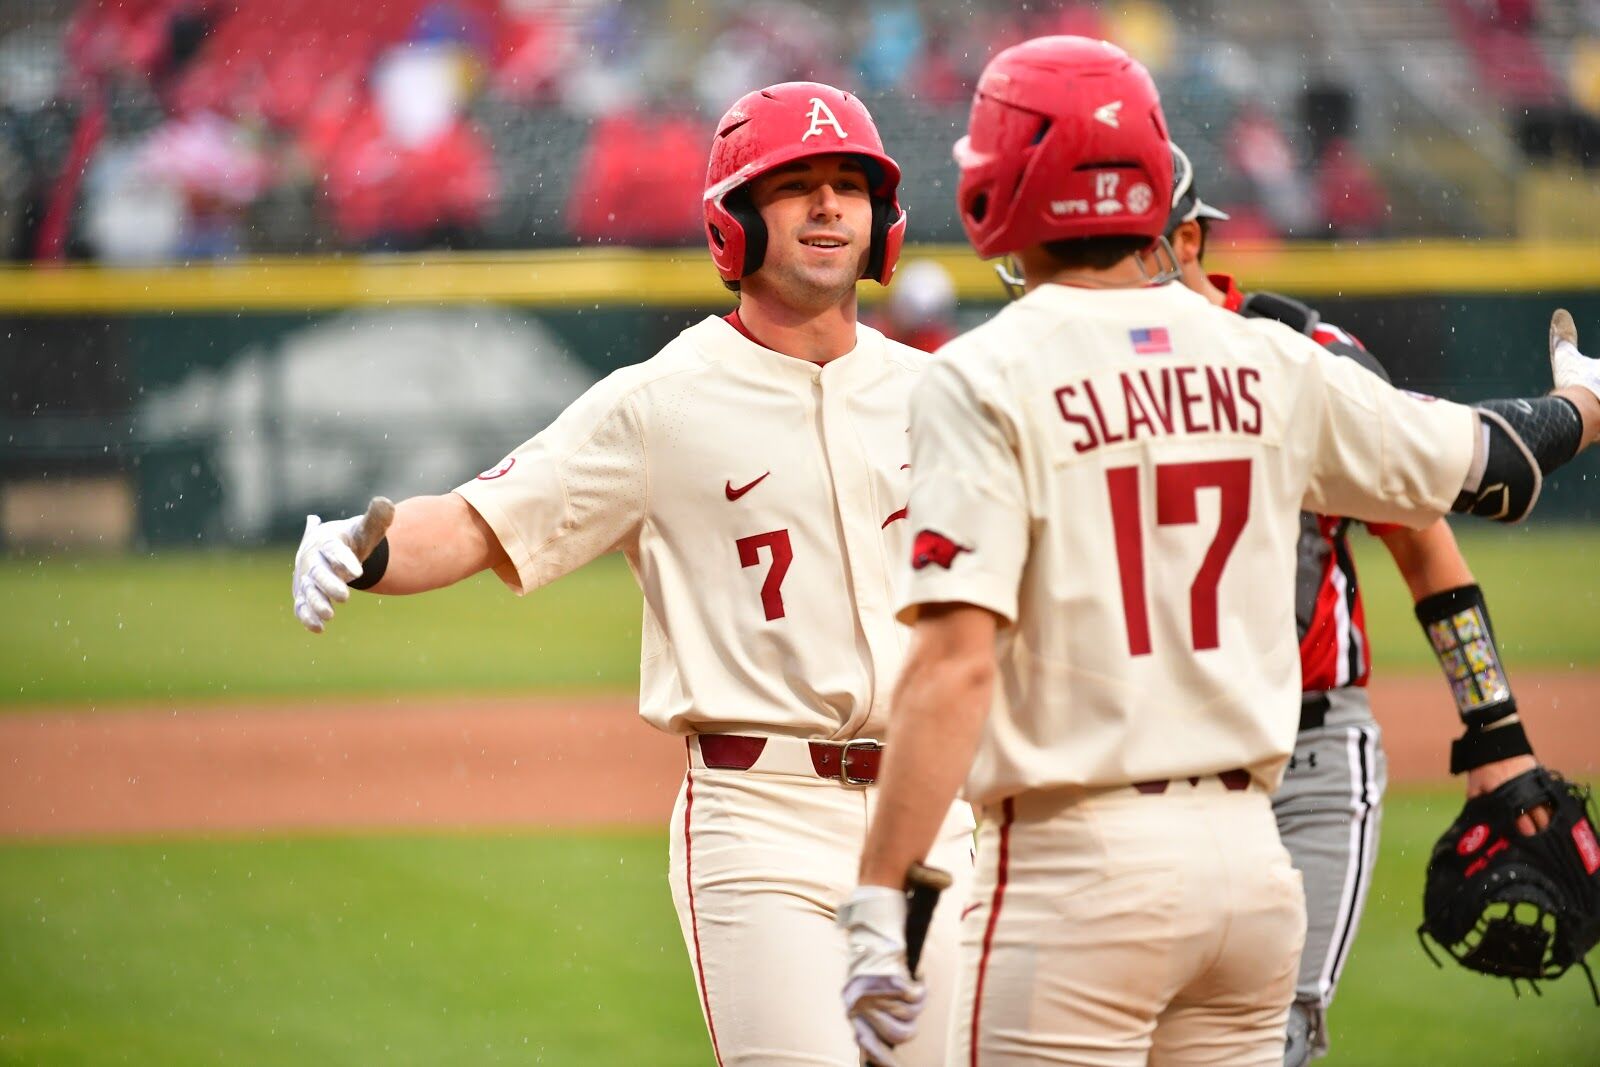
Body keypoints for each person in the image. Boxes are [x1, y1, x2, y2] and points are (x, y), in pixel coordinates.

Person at [837, 35, 1600, 1066]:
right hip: (1250, 868)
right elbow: (1489, 463)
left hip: (1080, 865)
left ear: (994, 183)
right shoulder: (1274, 359)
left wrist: (883, 892)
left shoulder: (983, 375)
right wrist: (1580, 402)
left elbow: (955, 662)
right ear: (1154, 193)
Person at [290, 82, 976, 1066]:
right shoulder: (659, 401)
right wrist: (369, 546)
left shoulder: (938, 395)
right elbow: (488, 519)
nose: (829, 207)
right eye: (796, 186)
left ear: (884, 220)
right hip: (762, 819)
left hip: (932, 819)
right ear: (733, 222)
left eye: (849, 186)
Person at [1163, 143, 1548, 1065]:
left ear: (1188, 239)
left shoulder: (1308, 362)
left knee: (1273, 1037)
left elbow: (1422, 542)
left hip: (1308, 754)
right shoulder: (1073, 375)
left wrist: (1495, 728)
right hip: (1156, 759)